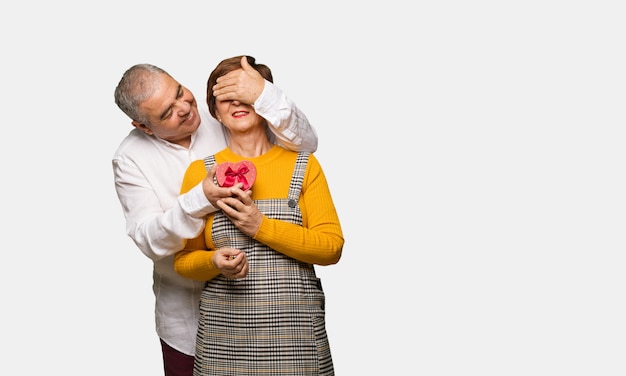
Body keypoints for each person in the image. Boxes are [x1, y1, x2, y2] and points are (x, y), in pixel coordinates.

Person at [112, 57, 318, 376]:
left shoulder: (222, 114)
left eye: (180, 92)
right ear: (143, 127)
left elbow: (303, 148)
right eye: (167, 112)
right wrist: (200, 199)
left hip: (269, 312)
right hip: (186, 321)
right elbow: (149, 240)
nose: (183, 107)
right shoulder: (129, 159)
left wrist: (266, 94)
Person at [173, 55, 343, 375]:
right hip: (225, 338)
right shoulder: (201, 173)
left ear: (264, 99)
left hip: (295, 337)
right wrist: (213, 262)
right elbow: (183, 261)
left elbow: (332, 248)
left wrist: (260, 226)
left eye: (246, 91)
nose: (237, 101)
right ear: (215, 110)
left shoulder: (303, 165)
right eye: (225, 95)